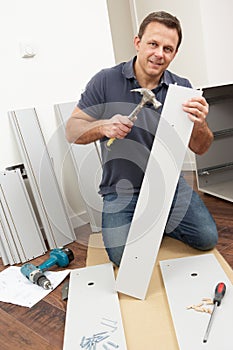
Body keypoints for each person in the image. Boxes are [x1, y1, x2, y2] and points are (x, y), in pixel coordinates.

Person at [66, 11, 218, 266]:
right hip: (121, 190)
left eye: (168, 48)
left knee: (207, 238)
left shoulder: (182, 89)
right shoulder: (105, 80)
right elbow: (72, 130)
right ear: (138, 43)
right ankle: (147, 221)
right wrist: (104, 126)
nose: (160, 53)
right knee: (124, 259)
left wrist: (200, 123)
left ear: (174, 54)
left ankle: (158, 222)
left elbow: (201, 148)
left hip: (168, 185)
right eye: (153, 44)